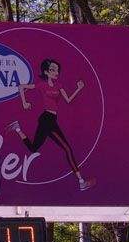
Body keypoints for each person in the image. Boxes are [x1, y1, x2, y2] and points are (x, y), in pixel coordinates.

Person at [8, 58, 93, 191]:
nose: (56, 72)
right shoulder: (41, 85)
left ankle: (17, 128)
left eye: (57, 70)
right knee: (67, 149)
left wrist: (78, 89)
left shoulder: (59, 86)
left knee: (33, 148)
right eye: (53, 70)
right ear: (46, 72)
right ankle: (81, 181)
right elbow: (21, 86)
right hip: (47, 119)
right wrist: (24, 102)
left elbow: (68, 100)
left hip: (51, 119)